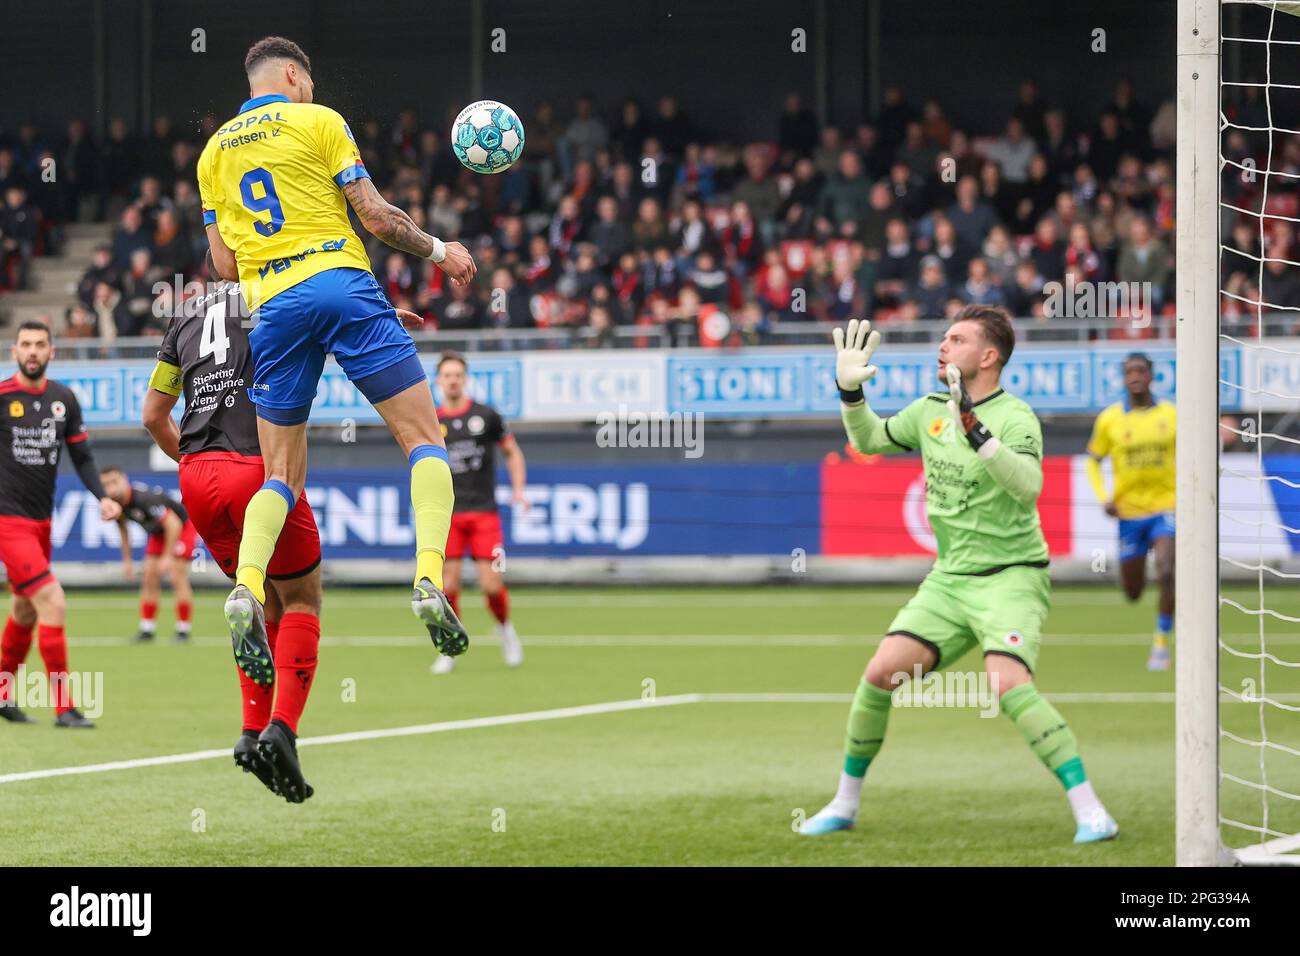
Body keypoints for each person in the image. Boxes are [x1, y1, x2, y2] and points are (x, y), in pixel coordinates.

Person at [196, 37, 476, 686]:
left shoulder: (213, 155)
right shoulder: (320, 120)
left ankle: (244, 588)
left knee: (282, 475)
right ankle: (430, 578)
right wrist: (440, 252)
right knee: (424, 440)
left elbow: (221, 266)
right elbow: (376, 217)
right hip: (344, 285)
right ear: (294, 75)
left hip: (273, 307)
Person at [801, 308, 1119, 844]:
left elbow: (1028, 487)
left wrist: (978, 432)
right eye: (944, 337)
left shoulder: (1017, 418)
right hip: (949, 580)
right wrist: (850, 395)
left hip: (1011, 578)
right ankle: (845, 804)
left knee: (1005, 682)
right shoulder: (929, 410)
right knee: (881, 674)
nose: (942, 346)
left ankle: (1092, 811)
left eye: (957, 339)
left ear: (988, 357)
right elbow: (871, 441)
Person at [143, 281, 324, 802]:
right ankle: (282, 729)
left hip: (197, 478)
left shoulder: (184, 315)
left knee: (260, 596)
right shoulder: (276, 293)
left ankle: (251, 731)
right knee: (302, 598)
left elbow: (153, 415)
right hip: (259, 471)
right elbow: (331, 328)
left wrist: (198, 466)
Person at [0, 321, 122, 727]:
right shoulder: (2, 398)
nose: (32, 351)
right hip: (8, 522)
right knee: (52, 600)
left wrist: (102, 496)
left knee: (25, 610)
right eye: (25, 344)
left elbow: (83, 458)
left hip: (41, 522)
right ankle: (65, 706)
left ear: (52, 352)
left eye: (39, 345)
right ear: (14, 351)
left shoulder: (63, 399)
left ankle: (1, 694)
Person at [430, 352, 527, 674]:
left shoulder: (487, 416)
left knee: (491, 585)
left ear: (466, 379)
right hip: (449, 515)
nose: (453, 380)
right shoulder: (432, 420)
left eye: (458, 374)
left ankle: (505, 629)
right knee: (448, 584)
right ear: (439, 381)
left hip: (485, 512)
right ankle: (451, 646)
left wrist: (518, 490)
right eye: (447, 375)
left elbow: (512, 452)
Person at [1086, 353, 1176, 671]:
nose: (1135, 376)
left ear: (1152, 376)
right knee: (1133, 592)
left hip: (1166, 508)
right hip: (1128, 514)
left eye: (1140, 371)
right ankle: (1149, 598)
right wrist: (1103, 498)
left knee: (1167, 570)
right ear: (1124, 379)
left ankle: (1161, 644)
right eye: (1129, 372)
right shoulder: (1110, 419)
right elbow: (1093, 461)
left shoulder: (1171, 415)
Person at [99, 467, 196, 642]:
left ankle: (183, 629)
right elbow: (123, 528)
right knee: (149, 578)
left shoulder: (144, 498)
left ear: (124, 479)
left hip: (181, 528)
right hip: (158, 533)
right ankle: (147, 629)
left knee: (176, 576)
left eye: (114, 482)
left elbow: (173, 524)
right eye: (106, 484)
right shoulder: (115, 502)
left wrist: (167, 557)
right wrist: (127, 561)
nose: (111, 488)